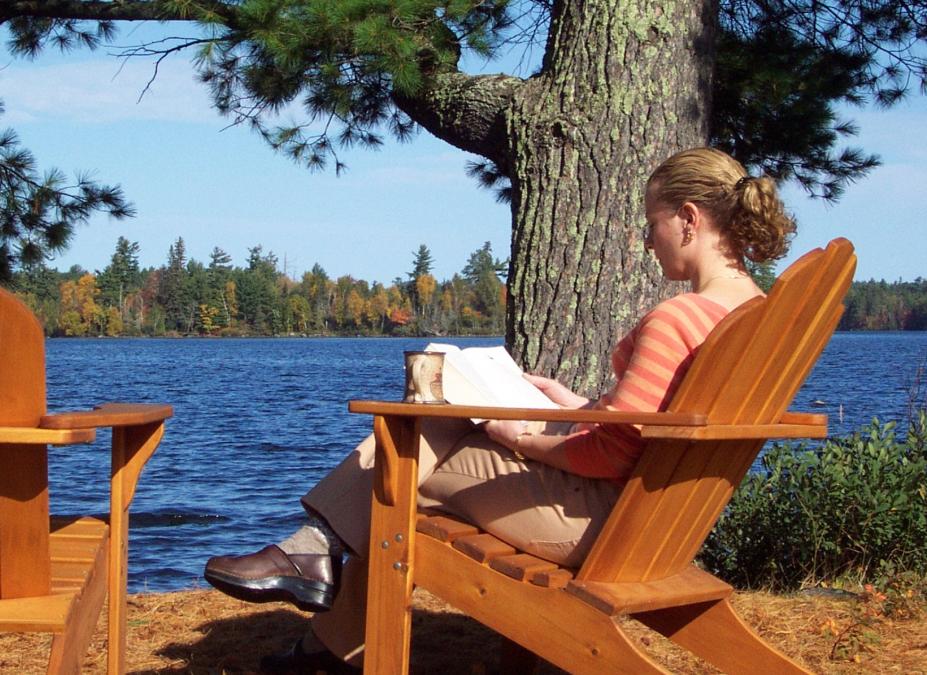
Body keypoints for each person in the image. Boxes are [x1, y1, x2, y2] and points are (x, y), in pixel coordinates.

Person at [203, 147, 797, 674]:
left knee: (411, 459)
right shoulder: (757, 318)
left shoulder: (679, 317)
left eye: (653, 226)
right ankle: (318, 595)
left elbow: (612, 451)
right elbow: (656, 424)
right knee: (426, 441)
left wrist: (520, 436)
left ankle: (317, 569)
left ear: (689, 219)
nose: (648, 241)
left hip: (597, 523)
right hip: (662, 525)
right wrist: (579, 406)